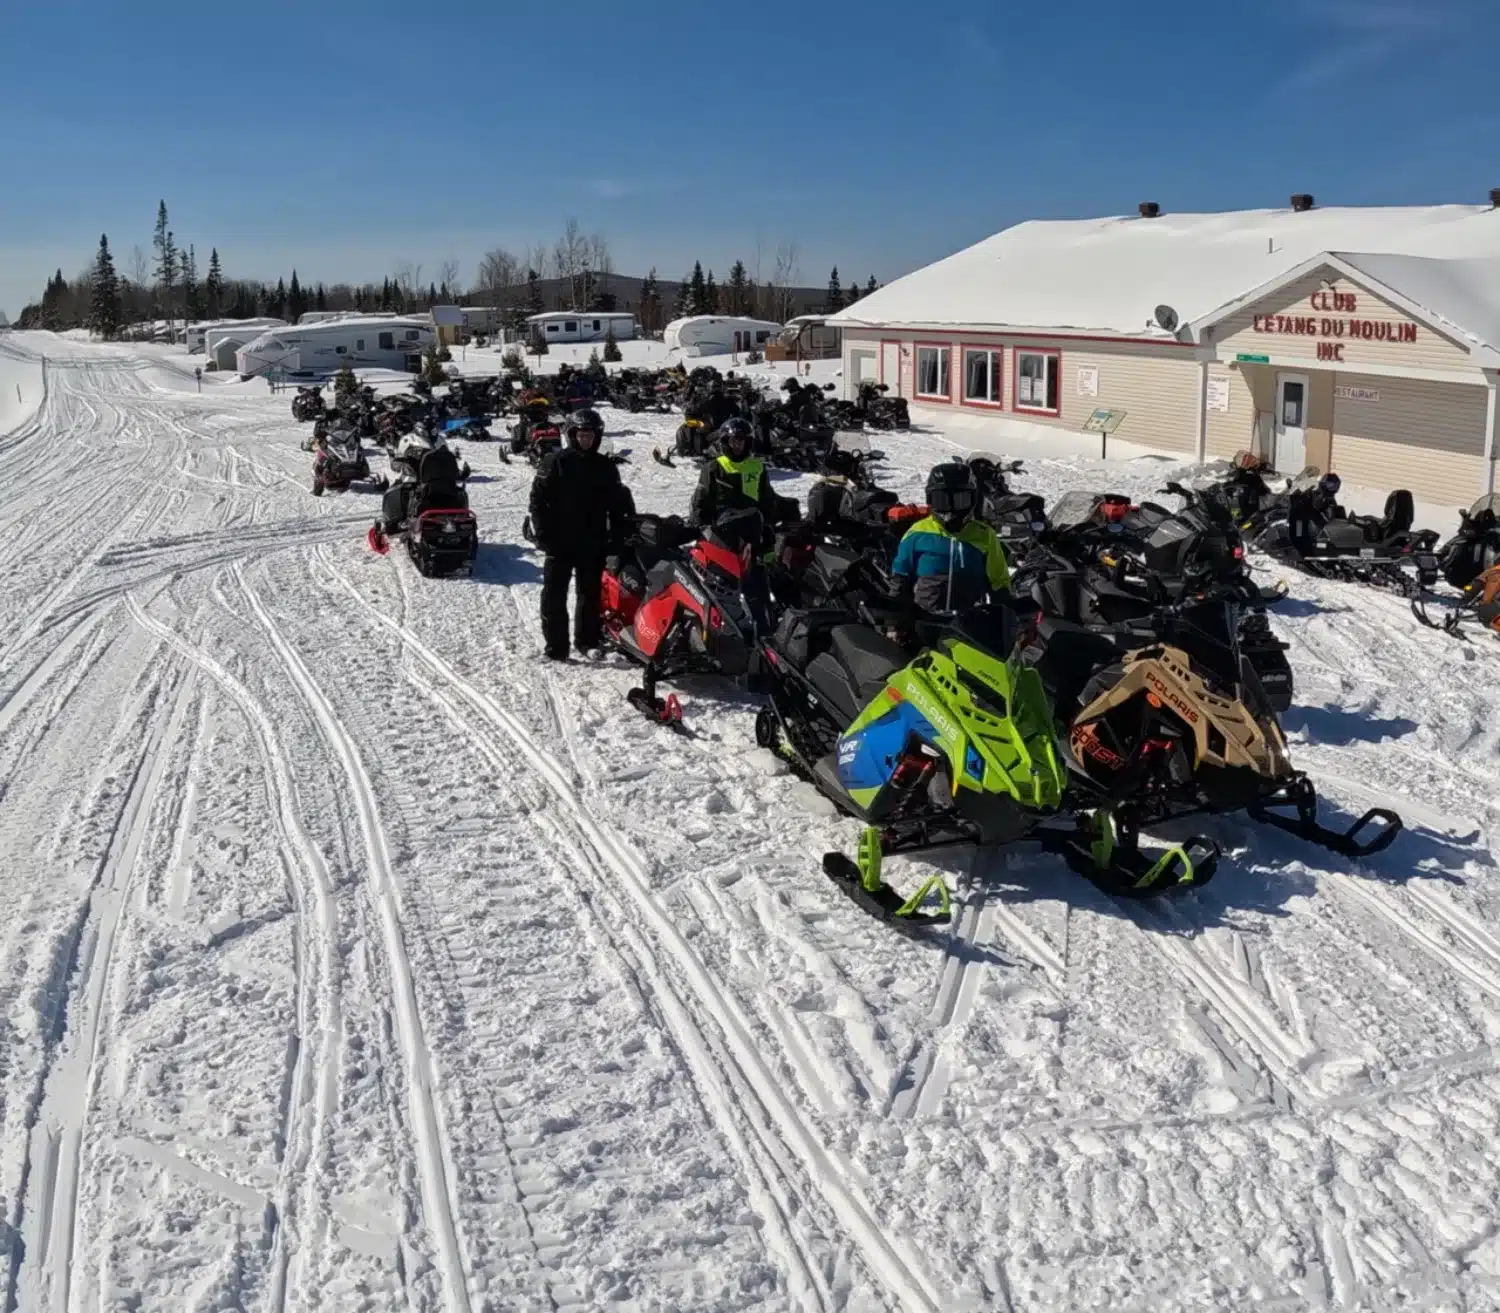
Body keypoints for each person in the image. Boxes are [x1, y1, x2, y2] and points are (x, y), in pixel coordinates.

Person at [528, 409, 629, 660]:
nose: (586, 440)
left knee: (590, 594)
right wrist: (543, 533)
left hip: (592, 539)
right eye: (582, 435)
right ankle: (556, 647)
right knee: (553, 595)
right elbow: (538, 501)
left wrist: (618, 534)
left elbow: (618, 504)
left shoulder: (605, 466)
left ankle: (587, 641)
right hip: (559, 540)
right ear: (572, 435)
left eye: (590, 436)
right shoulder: (554, 462)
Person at [891, 462, 1011, 614]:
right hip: (926, 621)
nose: (950, 511)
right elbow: (900, 578)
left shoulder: (985, 535)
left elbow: (999, 583)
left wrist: (1007, 614)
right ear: (930, 500)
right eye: (941, 500)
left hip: (970, 622)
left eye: (960, 500)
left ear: (973, 500)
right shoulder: (916, 534)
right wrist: (895, 618)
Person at [689, 419, 783, 529]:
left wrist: (768, 524)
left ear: (747, 443)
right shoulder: (713, 467)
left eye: (741, 441)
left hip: (753, 524)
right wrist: (700, 527)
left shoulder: (758, 467)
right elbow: (700, 501)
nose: (737, 445)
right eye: (733, 441)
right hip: (722, 526)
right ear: (726, 442)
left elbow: (767, 499)